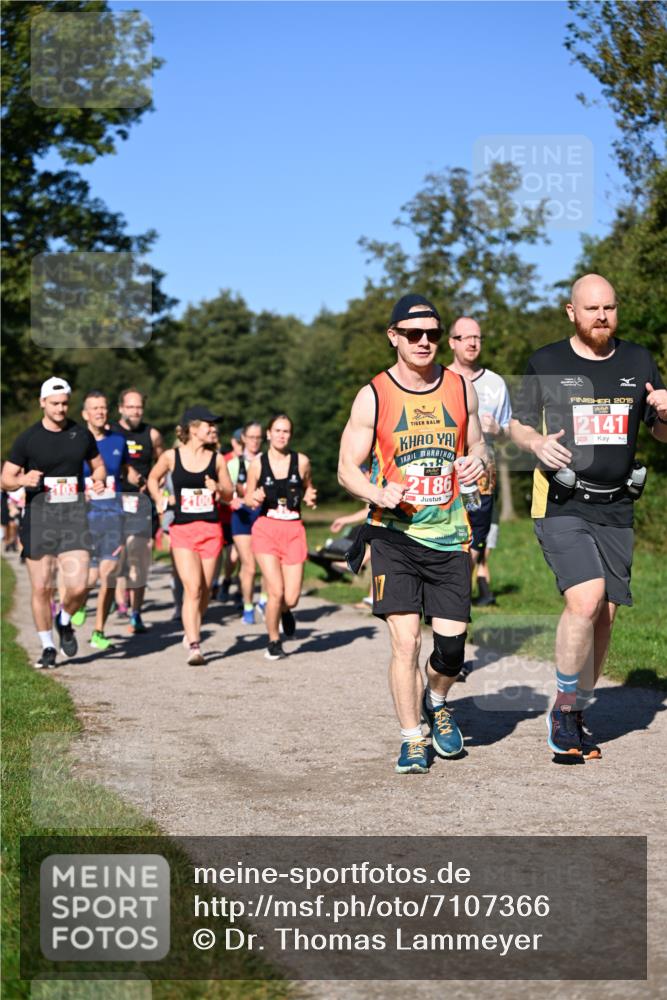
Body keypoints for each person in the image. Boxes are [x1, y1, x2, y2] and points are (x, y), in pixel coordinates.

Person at [510, 273, 667, 761]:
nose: (602, 316)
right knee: (586, 599)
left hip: (617, 504)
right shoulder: (546, 361)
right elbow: (515, 424)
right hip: (563, 501)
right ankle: (562, 709)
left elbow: (662, 433)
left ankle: (576, 709)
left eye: (609, 308)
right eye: (592, 308)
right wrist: (536, 443)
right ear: (571, 312)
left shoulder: (638, 360)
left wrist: (664, 413)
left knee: (605, 617)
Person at [338, 294, 488, 774]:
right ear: (393, 337)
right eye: (413, 333)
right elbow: (346, 468)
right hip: (394, 535)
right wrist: (376, 493)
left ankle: (436, 700)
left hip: (450, 535)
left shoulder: (461, 389)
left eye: (432, 334)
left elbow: (480, 447)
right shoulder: (374, 395)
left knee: (451, 651)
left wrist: (476, 462)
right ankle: (411, 738)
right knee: (406, 644)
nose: (424, 341)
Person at [1, 378, 107, 668]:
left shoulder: (80, 434)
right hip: (39, 520)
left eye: (64, 404)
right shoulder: (28, 439)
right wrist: (23, 479)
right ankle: (48, 646)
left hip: (74, 518)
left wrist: (98, 480)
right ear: (42, 403)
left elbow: (98, 466)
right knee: (42, 588)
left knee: (80, 584)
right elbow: (5, 479)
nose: (60, 409)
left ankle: (64, 619)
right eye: (55, 403)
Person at [148, 406, 233, 665]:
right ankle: (195, 645)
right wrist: (160, 499)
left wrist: (217, 487)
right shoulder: (171, 457)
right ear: (193, 428)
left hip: (211, 529)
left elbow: (229, 494)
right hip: (183, 530)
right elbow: (152, 479)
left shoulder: (217, 459)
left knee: (205, 591)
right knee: (193, 588)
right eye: (209, 424)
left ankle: (191, 627)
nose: (213, 429)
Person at [448, 317, 512, 607]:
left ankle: (455, 590)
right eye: (466, 337)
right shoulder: (438, 378)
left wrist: (498, 430)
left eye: (478, 338)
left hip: (480, 474)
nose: (473, 343)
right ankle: (444, 589)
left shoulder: (495, 383)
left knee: (476, 532)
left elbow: (509, 431)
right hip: (444, 470)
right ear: (452, 342)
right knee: (443, 528)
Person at [245, 414, 317, 660]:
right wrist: (253, 498)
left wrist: (310, 496)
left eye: (286, 431)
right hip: (266, 530)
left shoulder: (302, 461)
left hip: (294, 530)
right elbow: (248, 496)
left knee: (292, 597)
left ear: (291, 435)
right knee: (275, 591)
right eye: (277, 430)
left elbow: (308, 486)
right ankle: (274, 641)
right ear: (268, 434)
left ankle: (285, 610)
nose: (281, 435)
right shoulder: (257, 464)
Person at [78, 391, 134, 651]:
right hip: (85, 518)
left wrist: (143, 483)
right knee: (88, 578)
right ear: (85, 414)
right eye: (95, 408)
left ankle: (98, 631)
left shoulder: (118, 441)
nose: (100, 412)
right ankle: (78, 603)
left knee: (108, 575)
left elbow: (124, 471)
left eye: (103, 407)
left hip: (113, 517)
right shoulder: (76, 442)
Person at [111, 387, 164, 633]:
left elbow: (163, 465)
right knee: (117, 555)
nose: (135, 411)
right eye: (130, 407)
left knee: (138, 557)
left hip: (141, 503)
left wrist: (154, 485)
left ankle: (135, 612)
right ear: (121, 408)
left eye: (139, 407)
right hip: (114, 501)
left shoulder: (152, 434)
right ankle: (119, 598)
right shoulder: (111, 432)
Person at [227, 421, 268, 623]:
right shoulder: (233, 464)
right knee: (249, 566)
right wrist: (231, 499)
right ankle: (248, 606)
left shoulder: (268, 461)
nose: (255, 441)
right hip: (242, 516)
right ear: (243, 438)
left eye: (258, 437)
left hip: (263, 515)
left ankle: (265, 600)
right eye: (251, 437)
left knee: (267, 564)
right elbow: (224, 492)